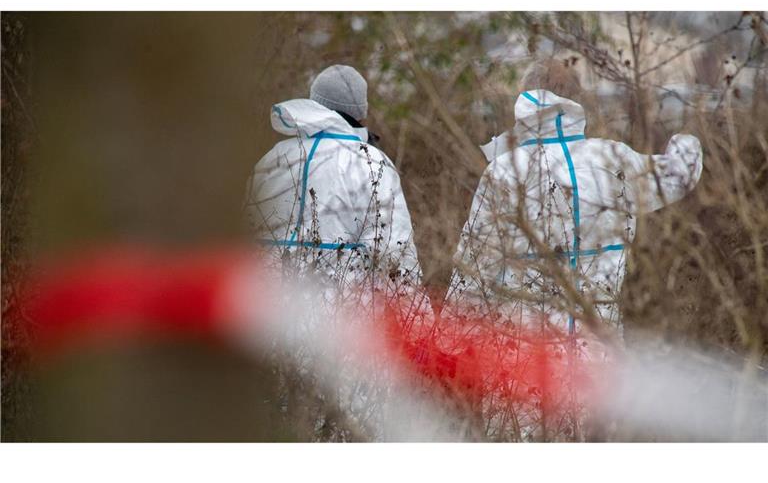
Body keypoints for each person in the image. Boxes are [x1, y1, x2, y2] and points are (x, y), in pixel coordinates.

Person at [446, 59, 704, 337]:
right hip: (597, 354)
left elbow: (472, 274)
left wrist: (449, 347)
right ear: (576, 101)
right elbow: (680, 175)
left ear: (524, 100)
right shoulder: (611, 160)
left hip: (524, 357)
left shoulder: (503, 171)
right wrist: (688, 138)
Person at [244, 64, 428, 316]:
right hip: (344, 325)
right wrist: (419, 325)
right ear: (361, 112)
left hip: (267, 316)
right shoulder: (370, 163)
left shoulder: (273, 159)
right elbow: (395, 253)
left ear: (315, 102)